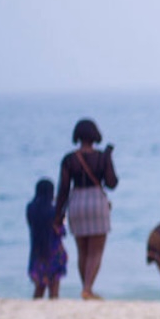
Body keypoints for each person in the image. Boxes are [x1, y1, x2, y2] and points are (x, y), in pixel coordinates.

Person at [54, 118, 118, 300]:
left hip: (76, 203)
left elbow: (63, 189)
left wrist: (58, 215)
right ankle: (88, 289)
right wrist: (108, 157)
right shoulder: (101, 157)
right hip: (97, 202)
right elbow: (112, 183)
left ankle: (86, 288)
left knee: (82, 251)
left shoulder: (69, 159)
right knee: (96, 251)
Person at [26, 178, 67, 299]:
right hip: (54, 252)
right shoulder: (54, 212)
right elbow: (61, 232)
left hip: (37, 252)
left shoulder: (31, 209)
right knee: (54, 289)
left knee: (39, 288)